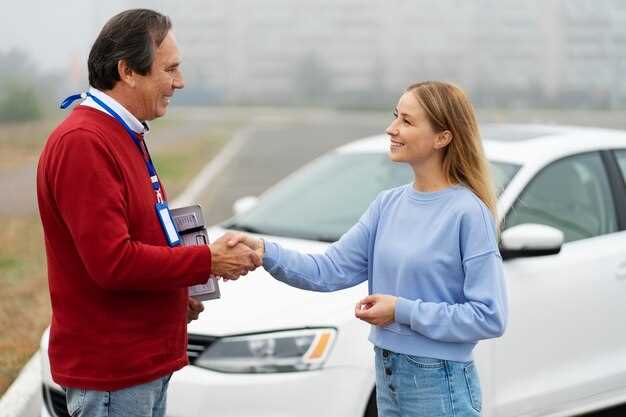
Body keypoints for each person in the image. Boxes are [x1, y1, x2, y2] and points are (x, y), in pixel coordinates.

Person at [228, 81, 508, 416]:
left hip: (440, 383)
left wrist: (400, 310)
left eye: (407, 121)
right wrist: (263, 250)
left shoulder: (468, 212)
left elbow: (489, 317)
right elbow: (327, 271)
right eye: (395, 117)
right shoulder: (387, 205)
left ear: (442, 138)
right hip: (389, 376)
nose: (392, 129)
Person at [36, 9, 260, 417]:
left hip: (139, 363)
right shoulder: (84, 142)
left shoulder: (123, 133)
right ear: (128, 71)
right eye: (170, 69)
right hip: (114, 370)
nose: (180, 81)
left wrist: (176, 295)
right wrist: (207, 260)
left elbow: (141, 236)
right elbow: (112, 263)